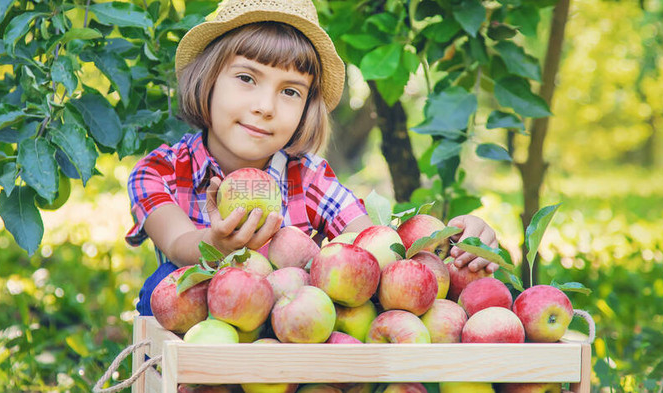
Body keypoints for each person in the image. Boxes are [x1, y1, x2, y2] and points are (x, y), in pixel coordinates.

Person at [125, 0, 499, 316]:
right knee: (165, 284)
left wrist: (448, 241)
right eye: (246, 78)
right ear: (207, 79)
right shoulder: (160, 172)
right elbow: (176, 244)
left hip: (289, 339)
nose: (265, 107)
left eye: (290, 91)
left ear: (307, 108)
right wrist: (215, 245)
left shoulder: (308, 178)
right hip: (197, 338)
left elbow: (374, 243)